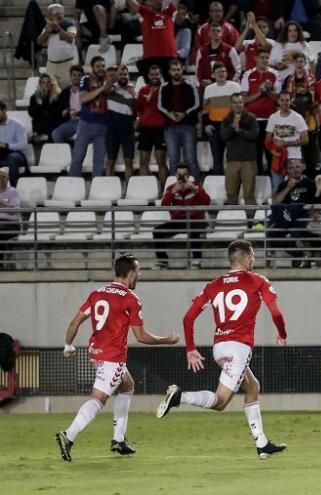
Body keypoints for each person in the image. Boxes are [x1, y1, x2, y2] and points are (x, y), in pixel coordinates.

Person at [156, 240, 288, 461]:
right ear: (246, 258)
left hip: (220, 347)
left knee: (252, 386)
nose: (253, 260)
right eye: (252, 256)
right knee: (220, 402)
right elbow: (276, 313)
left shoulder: (213, 285)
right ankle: (180, 397)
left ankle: (262, 444)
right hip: (239, 348)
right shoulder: (258, 281)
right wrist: (282, 334)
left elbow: (188, 317)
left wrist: (191, 348)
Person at [55, 254, 179, 462]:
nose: (139, 275)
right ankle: (68, 435)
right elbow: (141, 336)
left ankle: (118, 440)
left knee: (127, 386)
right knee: (98, 399)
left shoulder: (97, 294)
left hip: (97, 353)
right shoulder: (130, 299)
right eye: (138, 272)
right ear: (131, 274)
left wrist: (68, 345)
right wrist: (168, 339)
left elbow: (75, 322)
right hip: (112, 357)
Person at [155, 163, 211, 268]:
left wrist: (195, 189)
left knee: (194, 228)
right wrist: (172, 192)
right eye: (179, 174)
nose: (182, 177)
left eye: (184, 174)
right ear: (176, 175)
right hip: (178, 220)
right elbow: (164, 205)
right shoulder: (171, 188)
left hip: (196, 220)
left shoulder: (196, 185)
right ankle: (163, 261)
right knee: (157, 231)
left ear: (188, 175)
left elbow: (207, 202)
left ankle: (197, 261)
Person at [158, 58, 202, 181]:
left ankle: (196, 188)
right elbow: (160, 106)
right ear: (169, 72)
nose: (176, 72)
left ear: (182, 70)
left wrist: (185, 113)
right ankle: (174, 188)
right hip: (170, 127)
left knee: (191, 160)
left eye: (178, 69)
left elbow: (197, 104)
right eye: (173, 70)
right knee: (173, 161)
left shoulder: (190, 85)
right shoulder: (164, 87)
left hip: (188, 126)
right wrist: (170, 114)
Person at [69, 55, 111, 178]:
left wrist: (107, 85)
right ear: (92, 67)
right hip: (86, 124)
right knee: (78, 157)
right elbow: (83, 98)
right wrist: (102, 88)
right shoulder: (85, 79)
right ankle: (72, 186)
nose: (101, 69)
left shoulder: (107, 79)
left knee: (99, 161)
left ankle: (96, 190)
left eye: (103, 66)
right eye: (98, 66)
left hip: (103, 125)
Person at [268, 158, 315, 267]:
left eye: (297, 167)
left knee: (293, 236)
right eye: (291, 168)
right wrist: (288, 188)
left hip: (302, 217)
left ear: (303, 168)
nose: (295, 170)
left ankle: (302, 257)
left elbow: (314, 203)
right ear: (287, 170)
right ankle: (299, 254)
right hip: (286, 217)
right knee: (272, 236)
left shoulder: (309, 183)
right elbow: (275, 202)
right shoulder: (283, 185)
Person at [242, 48, 280, 174]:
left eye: (266, 57)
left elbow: (279, 99)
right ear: (255, 59)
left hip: (270, 120)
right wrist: (260, 91)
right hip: (253, 120)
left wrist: (268, 91)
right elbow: (244, 99)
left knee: (270, 151)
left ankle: (271, 177)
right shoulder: (248, 74)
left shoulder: (274, 74)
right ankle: (258, 178)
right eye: (262, 57)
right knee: (255, 151)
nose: (264, 60)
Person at [265, 90, 309, 192]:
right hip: (278, 157)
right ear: (278, 101)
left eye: (287, 100)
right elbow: (267, 140)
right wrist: (272, 150)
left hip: (294, 158)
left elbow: (306, 140)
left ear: (291, 101)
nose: (285, 102)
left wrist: (286, 143)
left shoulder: (298, 118)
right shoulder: (273, 118)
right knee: (277, 187)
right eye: (282, 100)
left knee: (295, 188)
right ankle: (277, 208)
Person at [221, 92, 259, 208]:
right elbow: (224, 136)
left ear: (243, 103)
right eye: (235, 102)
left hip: (248, 162)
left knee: (249, 194)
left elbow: (254, 135)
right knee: (231, 194)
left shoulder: (251, 118)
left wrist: (240, 131)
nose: (238, 105)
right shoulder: (227, 119)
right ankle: (233, 221)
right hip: (232, 162)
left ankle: (250, 223)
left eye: (240, 102)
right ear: (231, 104)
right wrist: (233, 126)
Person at [202, 63, 241, 175]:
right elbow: (205, 109)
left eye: (223, 71)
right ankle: (217, 184)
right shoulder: (209, 89)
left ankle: (233, 183)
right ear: (213, 74)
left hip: (230, 125)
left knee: (232, 157)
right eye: (218, 72)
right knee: (217, 158)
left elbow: (240, 106)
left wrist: (236, 122)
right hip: (215, 126)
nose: (221, 74)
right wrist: (206, 124)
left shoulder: (234, 87)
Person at [126, 0, 179, 81]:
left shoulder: (169, 12)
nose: (156, 2)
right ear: (149, 2)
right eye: (154, 0)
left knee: (170, 87)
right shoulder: (144, 13)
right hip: (150, 57)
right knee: (151, 87)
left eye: (158, 0)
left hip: (169, 56)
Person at [104, 64, 136, 180]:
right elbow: (106, 89)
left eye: (125, 74)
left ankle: (129, 189)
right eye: (120, 74)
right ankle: (108, 188)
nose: (123, 76)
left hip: (128, 129)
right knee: (110, 161)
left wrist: (134, 96)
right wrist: (115, 77)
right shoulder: (112, 87)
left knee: (129, 161)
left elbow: (138, 109)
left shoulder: (133, 90)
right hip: (112, 128)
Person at [37, 3, 78, 90]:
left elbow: (70, 38)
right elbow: (39, 41)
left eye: (50, 14)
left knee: (67, 91)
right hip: (51, 65)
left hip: (67, 65)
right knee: (51, 91)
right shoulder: (47, 27)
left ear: (59, 15)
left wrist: (57, 28)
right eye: (48, 15)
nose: (48, 17)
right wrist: (46, 32)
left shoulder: (69, 24)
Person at [195, 22, 242, 88]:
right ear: (209, 33)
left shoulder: (230, 50)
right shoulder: (201, 50)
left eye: (218, 31)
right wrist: (201, 82)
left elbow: (237, 70)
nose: (215, 33)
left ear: (222, 33)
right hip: (207, 88)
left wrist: (229, 83)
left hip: (226, 87)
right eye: (213, 31)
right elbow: (198, 70)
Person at [51, 65, 83, 144]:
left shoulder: (87, 91)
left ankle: (77, 155)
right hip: (70, 122)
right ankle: (68, 154)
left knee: (80, 135)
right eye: (74, 75)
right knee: (55, 134)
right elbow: (59, 111)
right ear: (70, 76)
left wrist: (79, 113)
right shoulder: (64, 93)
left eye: (79, 75)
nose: (76, 77)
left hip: (84, 122)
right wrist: (64, 112)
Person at [0, 102, 30, 186]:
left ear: (4, 110)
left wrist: (6, 145)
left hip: (17, 154)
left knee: (11, 158)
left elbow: (23, 144)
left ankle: (14, 188)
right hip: (2, 153)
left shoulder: (17, 125)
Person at [0, 168, 22, 271]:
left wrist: (2, 204)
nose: (1, 180)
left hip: (11, 223)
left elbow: (15, 210)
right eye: (0, 177)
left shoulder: (13, 192)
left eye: (4, 177)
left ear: (7, 178)